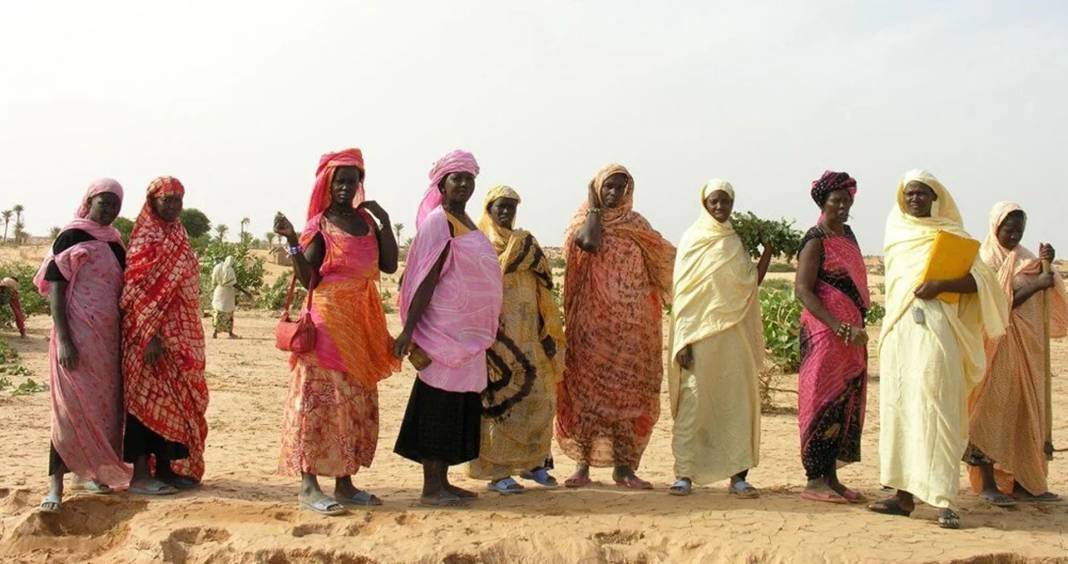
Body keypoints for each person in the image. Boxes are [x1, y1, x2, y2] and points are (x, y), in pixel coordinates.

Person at [868, 170, 1008, 529]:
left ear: (935, 198)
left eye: (922, 193)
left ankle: (945, 500)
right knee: (901, 411)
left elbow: (983, 282)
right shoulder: (896, 234)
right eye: (910, 194)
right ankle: (902, 496)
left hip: (939, 332)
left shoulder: (953, 235)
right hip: (900, 335)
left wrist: (941, 284)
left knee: (940, 410)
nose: (915, 199)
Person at [273, 148, 401, 516]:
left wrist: (386, 223)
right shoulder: (321, 224)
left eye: (352, 180)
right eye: (339, 180)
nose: (345, 186)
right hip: (327, 321)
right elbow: (308, 276)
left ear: (361, 183)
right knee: (321, 400)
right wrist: (292, 239)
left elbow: (390, 265)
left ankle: (345, 483)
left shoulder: (367, 224)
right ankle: (309, 485)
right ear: (328, 184)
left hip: (362, 322)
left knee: (354, 400)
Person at [393, 149, 503, 507]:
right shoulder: (439, 222)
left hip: (469, 337)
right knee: (437, 406)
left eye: (469, 178)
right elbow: (425, 279)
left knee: (457, 406)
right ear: (442, 184)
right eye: (458, 178)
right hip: (443, 334)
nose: (465, 184)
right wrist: (409, 332)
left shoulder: (467, 222)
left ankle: (443, 481)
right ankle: (431, 487)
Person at [556, 163, 675, 489]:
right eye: (607, 186)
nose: (614, 192)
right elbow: (589, 243)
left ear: (629, 190)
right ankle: (582, 466)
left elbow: (665, 262)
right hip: (592, 330)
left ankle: (625, 469)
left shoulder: (637, 224)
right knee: (588, 396)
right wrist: (593, 204)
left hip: (634, 332)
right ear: (597, 188)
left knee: (629, 399)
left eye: (619, 187)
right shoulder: (584, 221)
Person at [33, 179, 132, 513]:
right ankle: (54, 487)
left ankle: (91, 474)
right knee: (69, 412)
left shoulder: (116, 242)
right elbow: (57, 290)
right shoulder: (71, 236)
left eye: (115, 205)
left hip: (106, 342)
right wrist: (64, 338)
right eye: (103, 203)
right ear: (89, 201)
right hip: (75, 336)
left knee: (103, 411)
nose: (109, 210)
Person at [667, 179, 771, 497]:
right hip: (699, 338)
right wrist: (682, 342)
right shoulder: (692, 239)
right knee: (693, 404)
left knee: (736, 404)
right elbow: (682, 297)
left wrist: (767, 251)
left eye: (725, 201)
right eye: (714, 201)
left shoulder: (736, 242)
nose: (720, 207)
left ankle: (739, 476)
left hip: (733, 338)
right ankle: (684, 473)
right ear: (704, 203)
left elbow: (750, 283)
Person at [966, 202, 1066, 504]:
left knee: (1023, 416)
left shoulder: (1024, 258)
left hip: (1026, 352)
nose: (1013, 235)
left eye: (1019, 230)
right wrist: (1036, 284)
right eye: (1009, 229)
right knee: (988, 414)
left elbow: (1048, 287)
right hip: (994, 350)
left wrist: (1046, 266)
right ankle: (988, 484)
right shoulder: (985, 260)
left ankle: (1023, 482)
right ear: (996, 227)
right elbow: (997, 303)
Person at [469, 185, 565, 494]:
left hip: (530, 337)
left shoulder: (527, 244)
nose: (507, 211)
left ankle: (535, 465)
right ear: (489, 209)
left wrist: (547, 330)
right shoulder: (479, 244)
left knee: (541, 397)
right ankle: (498, 473)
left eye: (511, 206)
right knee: (500, 403)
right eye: (501, 206)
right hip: (495, 340)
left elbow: (543, 290)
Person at [121, 176, 209, 495]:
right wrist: (150, 335)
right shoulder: (146, 237)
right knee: (147, 401)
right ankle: (142, 474)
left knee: (177, 401)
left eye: (178, 200)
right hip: (148, 336)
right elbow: (137, 291)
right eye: (166, 200)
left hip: (181, 335)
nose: (173, 206)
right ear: (152, 201)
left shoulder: (179, 235)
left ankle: (168, 468)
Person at [794, 171, 871, 504]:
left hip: (851, 340)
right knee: (821, 402)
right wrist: (838, 326)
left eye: (846, 201)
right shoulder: (815, 238)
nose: (841, 206)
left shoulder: (849, 236)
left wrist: (852, 329)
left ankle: (832, 478)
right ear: (823, 203)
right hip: (824, 336)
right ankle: (815, 480)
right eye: (835, 201)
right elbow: (803, 291)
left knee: (843, 404)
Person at [210, 256, 240, 339]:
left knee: (218, 312)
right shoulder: (230, 270)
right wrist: (246, 292)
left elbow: (213, 280)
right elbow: (234, 283)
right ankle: (230, 333)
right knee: (229, 313)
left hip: (219, 291)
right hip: (228, 293)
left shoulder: (218, 267)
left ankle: (215, 332)